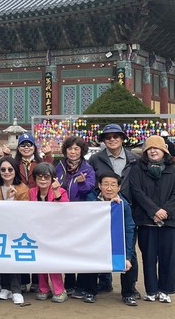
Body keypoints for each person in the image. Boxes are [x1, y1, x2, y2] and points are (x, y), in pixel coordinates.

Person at [127, 135, 175, 304]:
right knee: (149, 257)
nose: (153, 151)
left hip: (168, 221)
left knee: (168, 257)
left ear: (163, 150)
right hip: (145, 220)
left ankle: (166, 290)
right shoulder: (137, 169)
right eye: (149, 148)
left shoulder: (173, 170)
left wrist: (165, 211)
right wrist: (154, 210)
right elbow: (137, 192)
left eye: (156, 148)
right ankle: (151, 290)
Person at [88, 123, 139, 293]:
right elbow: (92, 183)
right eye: (108, 137)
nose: (112, 140)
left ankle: (130, 288)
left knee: (128, 245)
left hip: (127, 206)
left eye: (116, 136)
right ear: (103, 140)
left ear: (122, 138)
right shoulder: (96, 159)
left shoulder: (134, 159)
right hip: (103, 208)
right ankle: (104, 281)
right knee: (102, 245)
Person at [54, 136, 96, 298]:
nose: (73, 152)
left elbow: (90, 190)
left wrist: (81, 183)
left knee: (81, 249)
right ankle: (69, 282)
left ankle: (81, 284)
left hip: (81, 216)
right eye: (70, 148)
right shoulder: (59, 166)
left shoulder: (88, 169)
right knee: (66, 249)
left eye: (76, 149)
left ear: (81, 151)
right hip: (62, 215)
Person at [91, 172, 138, 306]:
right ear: (99, 185)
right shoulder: (92, 201)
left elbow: (129, 228)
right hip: (97, 240)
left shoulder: (124, 204)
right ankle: (89, 291)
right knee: (89, 257)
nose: (109, 188)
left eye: (113, 185)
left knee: (130, 259)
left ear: (119, 187)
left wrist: (127, 256)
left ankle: (128, 293)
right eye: (105, 184)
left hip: (116, 241)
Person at [29, 163, 69, 303]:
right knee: (40, 261)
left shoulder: (61, 191)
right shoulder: (31, 192)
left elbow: (66, 209)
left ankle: (59, 290)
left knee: (53, 262)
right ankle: (43, 289)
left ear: (52, 178)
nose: (43, 180)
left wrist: (57, 192)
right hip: (37, 232)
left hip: (55, 233)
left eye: (46, 177)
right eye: (39, 177)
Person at [0, 156, 28, 305]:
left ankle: (16, 290)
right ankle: (5, 287)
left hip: (16, 229)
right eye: (3, 169)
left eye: (10, 169)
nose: (6, 172)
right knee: (3, 257)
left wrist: (13, 200)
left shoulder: (23, 188)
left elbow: (24, 210)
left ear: (15, 171)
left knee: (15, 258)